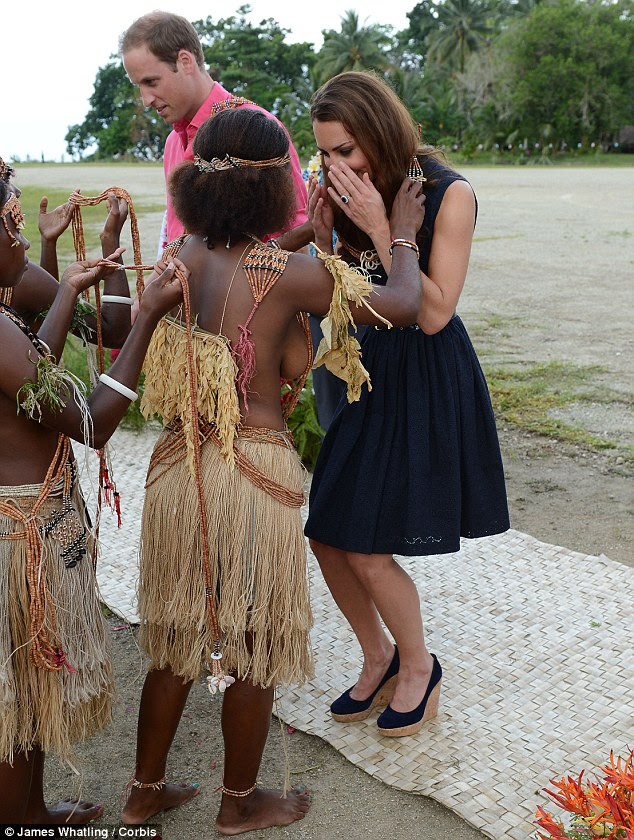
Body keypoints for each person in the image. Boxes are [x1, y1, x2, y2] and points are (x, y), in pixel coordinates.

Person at [120, 106, 425, 834]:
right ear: (275, 187)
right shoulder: (290, 275)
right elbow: (406, 306)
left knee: (174, 640)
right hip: (253, 477)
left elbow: (235, 271)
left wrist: (302, 240)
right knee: (252, 641)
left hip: (176, 472)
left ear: (200, 186)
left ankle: (141, 793)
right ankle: (239, 804)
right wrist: (402, 230)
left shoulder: (183, 257)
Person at [304, 71, 510, 737]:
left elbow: (434, 314)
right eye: (325, 154)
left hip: (422, 371)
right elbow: (352, 284)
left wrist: (381, 226)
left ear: (379, 133)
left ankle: (419, 666)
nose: (335, 166)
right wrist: (327, 237)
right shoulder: (355, 188)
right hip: (367, 365)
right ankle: (379, 655)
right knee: (327, 534)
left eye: (345, 151)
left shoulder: (450, 194)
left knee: (365, 545)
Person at [0, 177, 185, 823]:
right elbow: (93, 421)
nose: (21, 238)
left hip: (18, 524)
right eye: (11, 224)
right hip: (18, 538)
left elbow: (31, 363)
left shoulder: (3, 324)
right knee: (14, 715)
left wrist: (71, 287)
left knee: (24, 703)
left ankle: (33, 819)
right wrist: (151, 318)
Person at [119, 11, 310, 249]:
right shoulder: (171, 143)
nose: (145, 99)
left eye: (151, 82)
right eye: (139, 86)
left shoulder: (255, 128)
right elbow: (174, 234)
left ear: (185, 62)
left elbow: (298, 233)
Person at [0, 157, 133, 348]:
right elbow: (113, 333)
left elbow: (45, 311)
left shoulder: (20, 279)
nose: (17, 191)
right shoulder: (19, 282)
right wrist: (110, 239)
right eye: (5, 180)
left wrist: (48, 243)